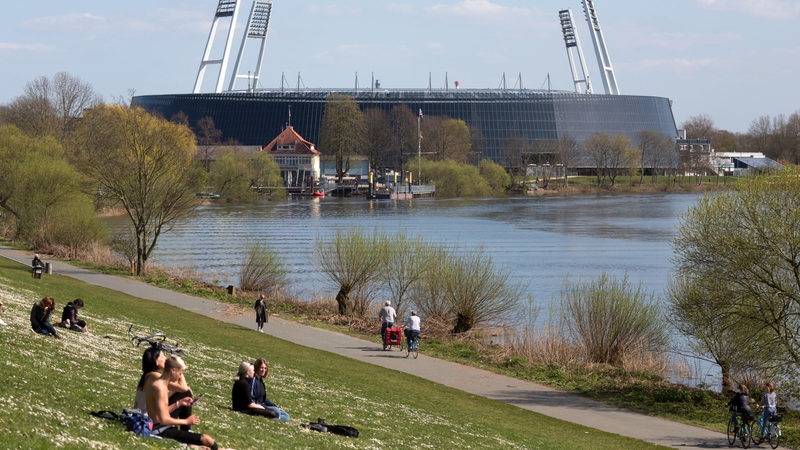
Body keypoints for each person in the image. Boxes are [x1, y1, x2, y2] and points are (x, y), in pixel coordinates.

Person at [144, 355, 218, 449]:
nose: (180, 376)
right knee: (206, 439)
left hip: (159, 425)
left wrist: (179, 403)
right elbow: (163, 419)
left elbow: (183, 389)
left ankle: (189, 436)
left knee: (186, 393)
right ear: (173, 370)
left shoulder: (160, 382)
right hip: (160, 429)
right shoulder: (160, 388)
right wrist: (186, 421)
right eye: (180, 372)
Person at [134, 345, 194, 427]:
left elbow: (163, 394)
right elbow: (183, 388)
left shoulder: (148, 375)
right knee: (185, 393)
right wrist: (178, 367)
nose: (165, 359)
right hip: (149, 417)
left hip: (142, 414)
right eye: (162, 356)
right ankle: (186, 428)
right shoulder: (156, 376)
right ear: (156, 362)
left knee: (182, 392)